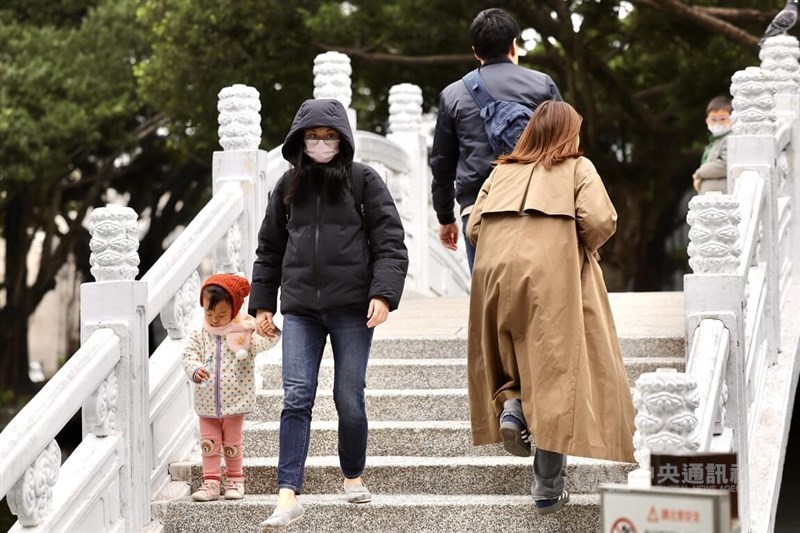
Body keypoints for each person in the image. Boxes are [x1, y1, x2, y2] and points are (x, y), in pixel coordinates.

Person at [466, 101, 636, 515]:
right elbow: (598, 221)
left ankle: (512, 404)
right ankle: (546, 486)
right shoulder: (578, 167)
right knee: (557, 374)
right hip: (549, 277)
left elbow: (473, 227)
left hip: (493, 276)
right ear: (568, 134)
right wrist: (572, 248)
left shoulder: (501, 170)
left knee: (509, 353)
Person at [251, 98, 409, 530]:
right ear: (299, 140)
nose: (321, 143)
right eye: (313, 136)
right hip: (301, 309)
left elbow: (391, 241)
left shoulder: (363, 181)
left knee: (348, 398)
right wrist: (263, 303)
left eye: (329, 136)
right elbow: (269, 249)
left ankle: (352, 474)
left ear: (342, 140)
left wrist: (383, 294)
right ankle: (288, 495)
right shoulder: (287, 186)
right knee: (296, 397)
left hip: (352, 308)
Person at [430, 7, 562, 271]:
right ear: (514, 45)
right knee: (536, 294)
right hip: (535, 206)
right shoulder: (542, 85)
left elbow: (443, 163)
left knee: (487, 297)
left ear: (476, 52)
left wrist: (445, 216)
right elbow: (563, 148)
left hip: (479, 209)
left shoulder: (453, 94)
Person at [182, 273, 280, 502]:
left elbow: (266, 341)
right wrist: (195, 369)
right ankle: (211, 483)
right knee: (209, 444)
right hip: (206, 402)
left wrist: (268, 328)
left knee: (232, 444)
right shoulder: (200, 334)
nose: (214, 319)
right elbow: (188, 355)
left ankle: (235, 480)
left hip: (235, 401)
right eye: (209, 313)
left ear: (234, 310)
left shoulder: (243, 333)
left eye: (222, 314)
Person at [692, 96, 732, 194]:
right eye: (713, 120)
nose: (718, 123)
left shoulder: (731, 139)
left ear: (732, 119)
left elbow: (726, 164)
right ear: (707, 121)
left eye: (723, 119)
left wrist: (699, 173)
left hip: (723, 198)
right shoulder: (714, 142)